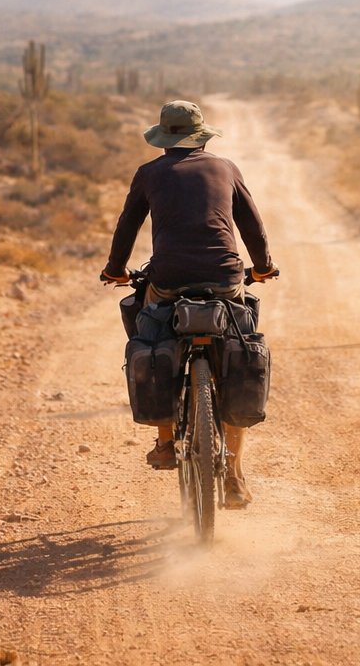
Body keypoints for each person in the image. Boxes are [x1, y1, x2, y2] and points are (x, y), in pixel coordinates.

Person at [101, 100, 277, 509]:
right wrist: (264, 268)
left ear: (164, 140)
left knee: (152, 329)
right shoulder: (225, 168)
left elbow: (127, 224)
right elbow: (251, 223)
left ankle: (165, 442)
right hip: (225, 278)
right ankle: (233, 474)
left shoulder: (148, 174)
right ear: (200, 136)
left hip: (169, 278)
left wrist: (115, 270)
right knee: (238, 345)